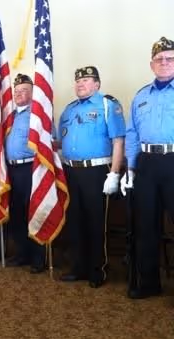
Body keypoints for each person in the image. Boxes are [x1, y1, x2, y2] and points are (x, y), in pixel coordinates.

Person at [58, 66, 125, 288]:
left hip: (97, 171)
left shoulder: (107, 105)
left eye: (86, 80)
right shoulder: (68, 110)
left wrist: (114, 173)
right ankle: (78, 267)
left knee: (96, 222)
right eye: (78, 81)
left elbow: (118, 141)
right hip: (70, 171)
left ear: (96, 84)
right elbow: (59, 143)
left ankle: (98, 269)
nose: (80, 84)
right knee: (75, 221)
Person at [122, 37, 174, 299]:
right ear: (151, 65)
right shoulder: (141, 96)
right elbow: (131, 134)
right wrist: (130, 169)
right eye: (159, 59)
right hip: (146, 164)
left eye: (169, 58)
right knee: (146, 226)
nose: (164, 63)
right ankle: (149, 281)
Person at [4, 74, 45, 273]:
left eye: (24, 90)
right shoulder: (8, 116)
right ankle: (22, 253)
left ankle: (38, 257)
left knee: (33, 211)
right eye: (17, 91)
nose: (19, 94)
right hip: (10, 169)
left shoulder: (38, 114)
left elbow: (47, 141)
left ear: (32, 93)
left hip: (30, 168)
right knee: (17, 213)